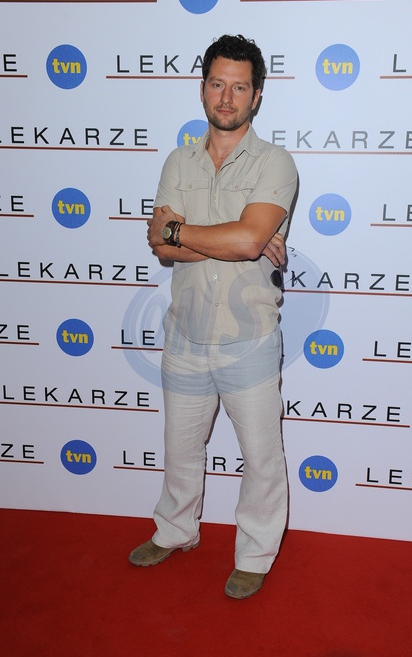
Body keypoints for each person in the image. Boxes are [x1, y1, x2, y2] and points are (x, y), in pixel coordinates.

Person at [129, 34, 298, 599]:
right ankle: (175, 531)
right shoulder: (179, 161)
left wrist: (197, 233)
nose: (227, 98)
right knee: (180, 448)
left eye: (240, 87)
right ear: (203, 88)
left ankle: (255, 554)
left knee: (261, 458)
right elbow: (162, 246)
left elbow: (243, 240)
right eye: (218, 84)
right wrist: (234, 241)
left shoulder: (276, 163)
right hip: (185, 332)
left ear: (257, 97)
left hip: (249, 337)